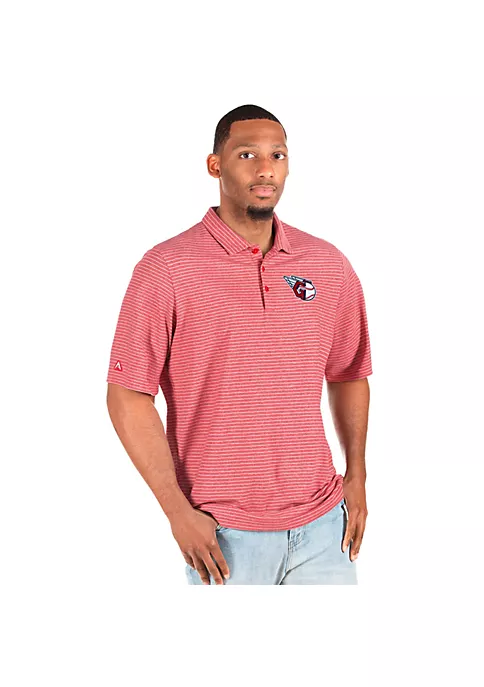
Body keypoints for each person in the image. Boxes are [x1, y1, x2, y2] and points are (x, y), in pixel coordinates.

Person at [106, 104, 373, 585]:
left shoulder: (327, 263)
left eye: (278, 155)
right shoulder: (167, 268)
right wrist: (177, 512)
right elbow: (128, 394)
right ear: (215, 165)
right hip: (222, 535)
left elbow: (349, 372)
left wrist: (357, 475)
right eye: (247, 154)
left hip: (324, 528)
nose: (265, 169)